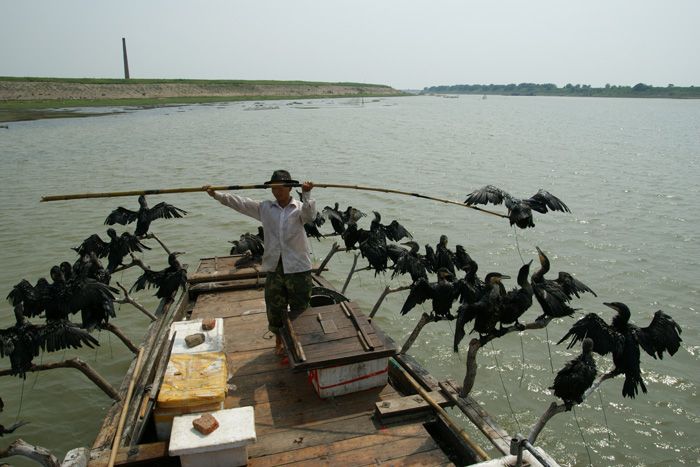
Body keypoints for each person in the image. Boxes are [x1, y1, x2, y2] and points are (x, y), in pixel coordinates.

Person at [203, 170, 316, 358]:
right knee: (274, 306)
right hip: (274, 266)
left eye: (280, 187)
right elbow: (239, 203)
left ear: (289, 188)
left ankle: (301, 341)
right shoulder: (265, 208)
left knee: (301, 306)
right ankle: (279, 343)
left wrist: (306, 193)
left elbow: (310, 216)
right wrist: (216, 194)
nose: (276, 192)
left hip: (297, 267)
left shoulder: (299, 208)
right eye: (273, 188)